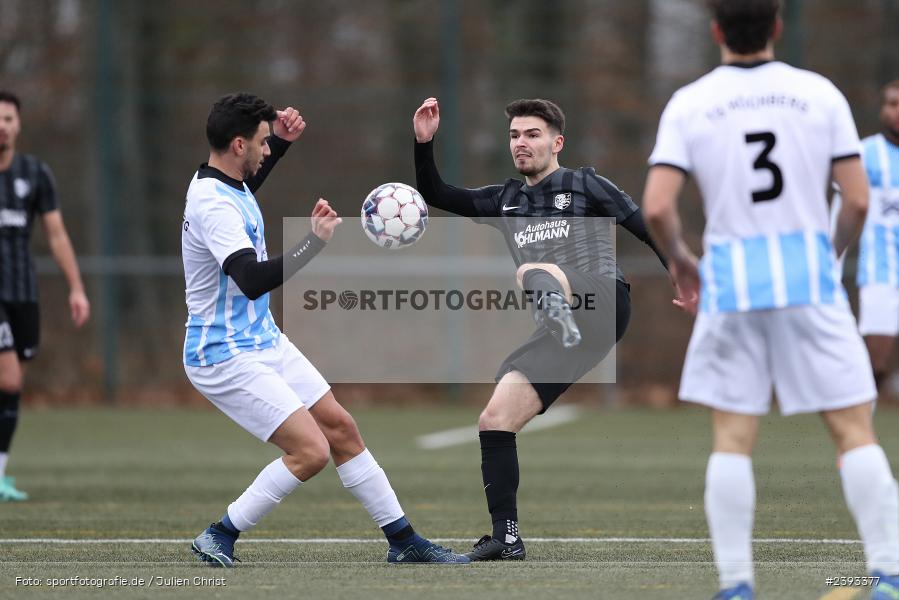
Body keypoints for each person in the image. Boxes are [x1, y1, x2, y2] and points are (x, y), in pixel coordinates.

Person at [642, 1, 899, 598]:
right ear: (777, 27)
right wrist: (827, 256)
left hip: (731, 284)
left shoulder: (691, 101)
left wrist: (683, 259)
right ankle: (887, 575)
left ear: (716, 31)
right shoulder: (819, 94)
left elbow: (657, 206)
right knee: (852, 429)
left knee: (732, 438)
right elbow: (856, 200)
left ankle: (737, 585)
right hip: (808, 283)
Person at [182, 92, 468, 566]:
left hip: (262, 340)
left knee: (340, 428)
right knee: (310, 451)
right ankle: (219, 533)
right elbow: (250, 281)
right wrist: (310, 245)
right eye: (262, 142)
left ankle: (403, 542)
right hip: (222, 353)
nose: (266, 149)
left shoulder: (225, 182)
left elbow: (245, 189)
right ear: (237, 145)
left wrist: (285, 141)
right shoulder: (212, 204)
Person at [412, 97, 670, 561]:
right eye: (514, 135)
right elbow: (438, 194)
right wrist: (423, 144)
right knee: (495, 420)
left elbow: (649, 228)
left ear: (557, 142)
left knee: (534, 269)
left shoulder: (586, 183)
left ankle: (555, 305)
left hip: (605, 301)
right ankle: (506, 538)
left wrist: (684, 277)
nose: (521, 143)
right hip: (563, 328)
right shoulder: (504, 199)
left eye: (532, 134)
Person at [0, 90, 90, 502]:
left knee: (13, 383)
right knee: (10, 378)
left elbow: (56, 235)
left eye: (8, 119)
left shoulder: (35, 174)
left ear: (19, 125)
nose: (2, 126)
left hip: (22, 293)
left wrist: (76, 287)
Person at [844, 80, 899, 389]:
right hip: (881, 268)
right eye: (892, 103)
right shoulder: (865, 153)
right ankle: (864, 423)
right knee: (874, 360)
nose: (897, 111)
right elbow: (844, 206)